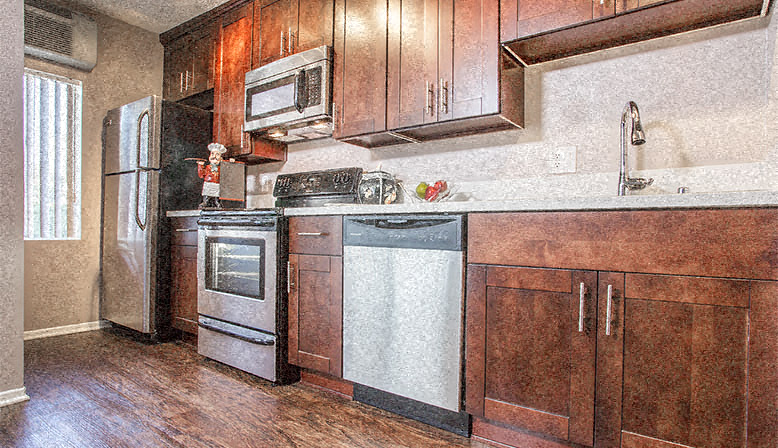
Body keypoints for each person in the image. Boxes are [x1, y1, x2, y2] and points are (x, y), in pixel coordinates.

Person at [197, 143, 227, 209]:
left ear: (221, 158)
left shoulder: (221, 168)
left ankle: (217, 203)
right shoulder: (208, 167)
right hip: (208, 183)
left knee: (217, 194)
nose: (214, 156)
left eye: (217, 154)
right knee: (207, 193)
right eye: (212, 154)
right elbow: (201, 175)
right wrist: (200, 166)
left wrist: (231, 162)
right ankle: (205, 202)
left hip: (217, 183)